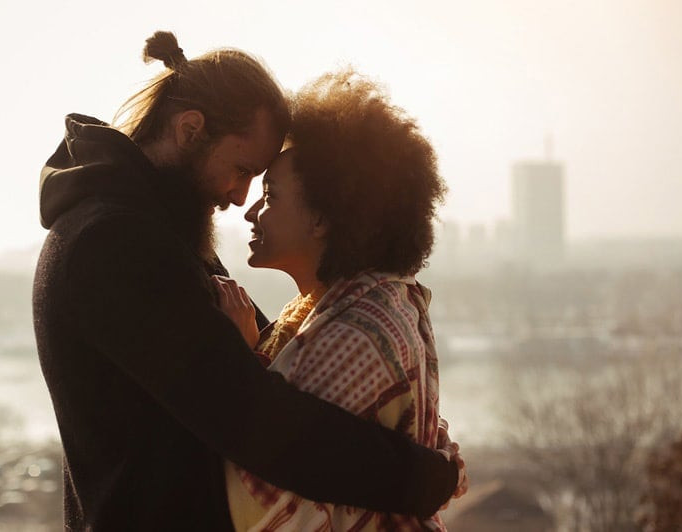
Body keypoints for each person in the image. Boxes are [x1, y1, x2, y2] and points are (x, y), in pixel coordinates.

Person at [32, 31, 462, 531]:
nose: (240, 199)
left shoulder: (155, 230)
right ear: (190, 130)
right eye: (241, 170)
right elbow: (256, 421)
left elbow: (270, 365)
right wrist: (423, 479)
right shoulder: (114, 242)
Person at [213, 70, 467, 531]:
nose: (249, 209)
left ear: (322, 220)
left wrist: (240, 360)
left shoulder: (356, 331)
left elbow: (256, 493)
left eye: (269, 195)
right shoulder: (353, 306)